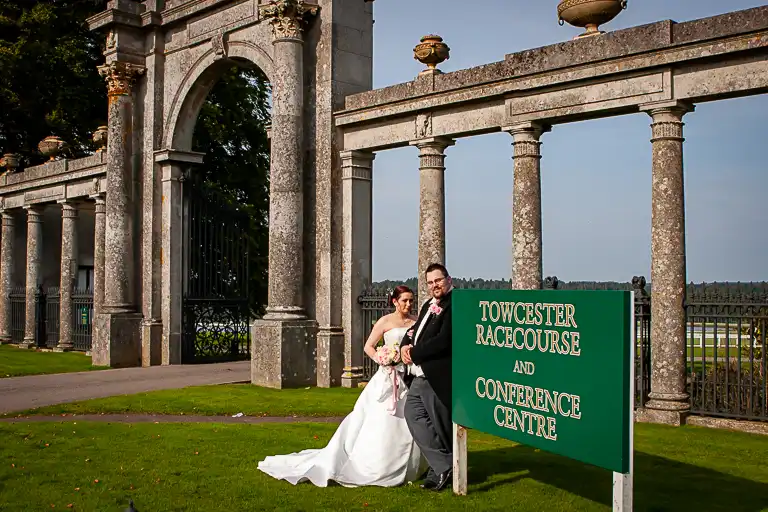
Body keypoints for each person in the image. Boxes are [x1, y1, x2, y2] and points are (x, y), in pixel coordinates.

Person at [257, 285, 426, 487]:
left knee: (412, 418)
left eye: (411, 300)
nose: (408, 304)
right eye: (405, 300)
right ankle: (378, 465)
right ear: (395, 302)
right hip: (387, 378)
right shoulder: (385, 321)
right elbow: (368, 347)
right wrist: (383, 360)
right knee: (382, 421)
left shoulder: (417, 322)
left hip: (409, 377)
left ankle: (414, 465)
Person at [400, 263, 454, 492]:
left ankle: (442, 469)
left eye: (438, 280)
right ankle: (443, 465)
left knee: (440, 426)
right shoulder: (427, 305)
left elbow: (445, 340)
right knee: (412, 414)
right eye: (430, 282)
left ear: (448, 279)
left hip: (438, 374)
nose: (435, 286)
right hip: (420, 375)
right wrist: (404, 345)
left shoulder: (455, 304)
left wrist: (414, 352)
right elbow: (414, 331)